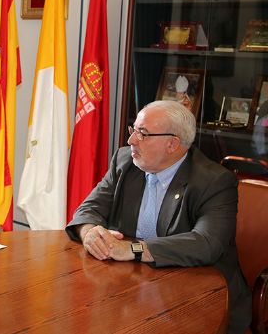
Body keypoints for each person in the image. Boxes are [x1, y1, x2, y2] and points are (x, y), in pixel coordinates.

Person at [66, 100, 251, 334]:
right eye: (133, 130)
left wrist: (133, 249)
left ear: (172, 144)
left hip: (199, 296)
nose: (131, 140)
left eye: (142, 133)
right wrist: (90, 231)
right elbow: (88, 209)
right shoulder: (125, 162)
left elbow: (207, 243)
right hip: (134, 288)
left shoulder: (213, 181)